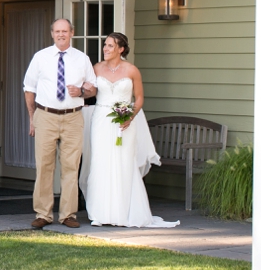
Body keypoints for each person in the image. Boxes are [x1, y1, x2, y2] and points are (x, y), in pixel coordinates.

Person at [79, 32, 179, 228]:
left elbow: (139, 98)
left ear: (121, 49)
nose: (105, 49)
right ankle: (100, 213)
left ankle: (125, 212)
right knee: (101, 163)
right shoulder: (96, 68)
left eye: (109, 46)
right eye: (105, 45)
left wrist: (129, 117)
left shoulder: (132, 70)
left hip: (124, 121)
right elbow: (88, 90)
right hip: (101, 120)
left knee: (124, 163)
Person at [23, 18, 96, 229]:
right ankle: (43, 214)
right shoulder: (41, 57)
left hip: (73, 116)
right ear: (52, 34)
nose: (61, 34)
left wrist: (82, 91)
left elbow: (93, 88)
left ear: (72, 33)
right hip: (45, 115)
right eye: (57, 31)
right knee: (44, 166)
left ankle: (68, 215)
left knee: (71, 167)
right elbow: (29, 88)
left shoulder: (82, 59)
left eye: (65, 31)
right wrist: (32, 118)